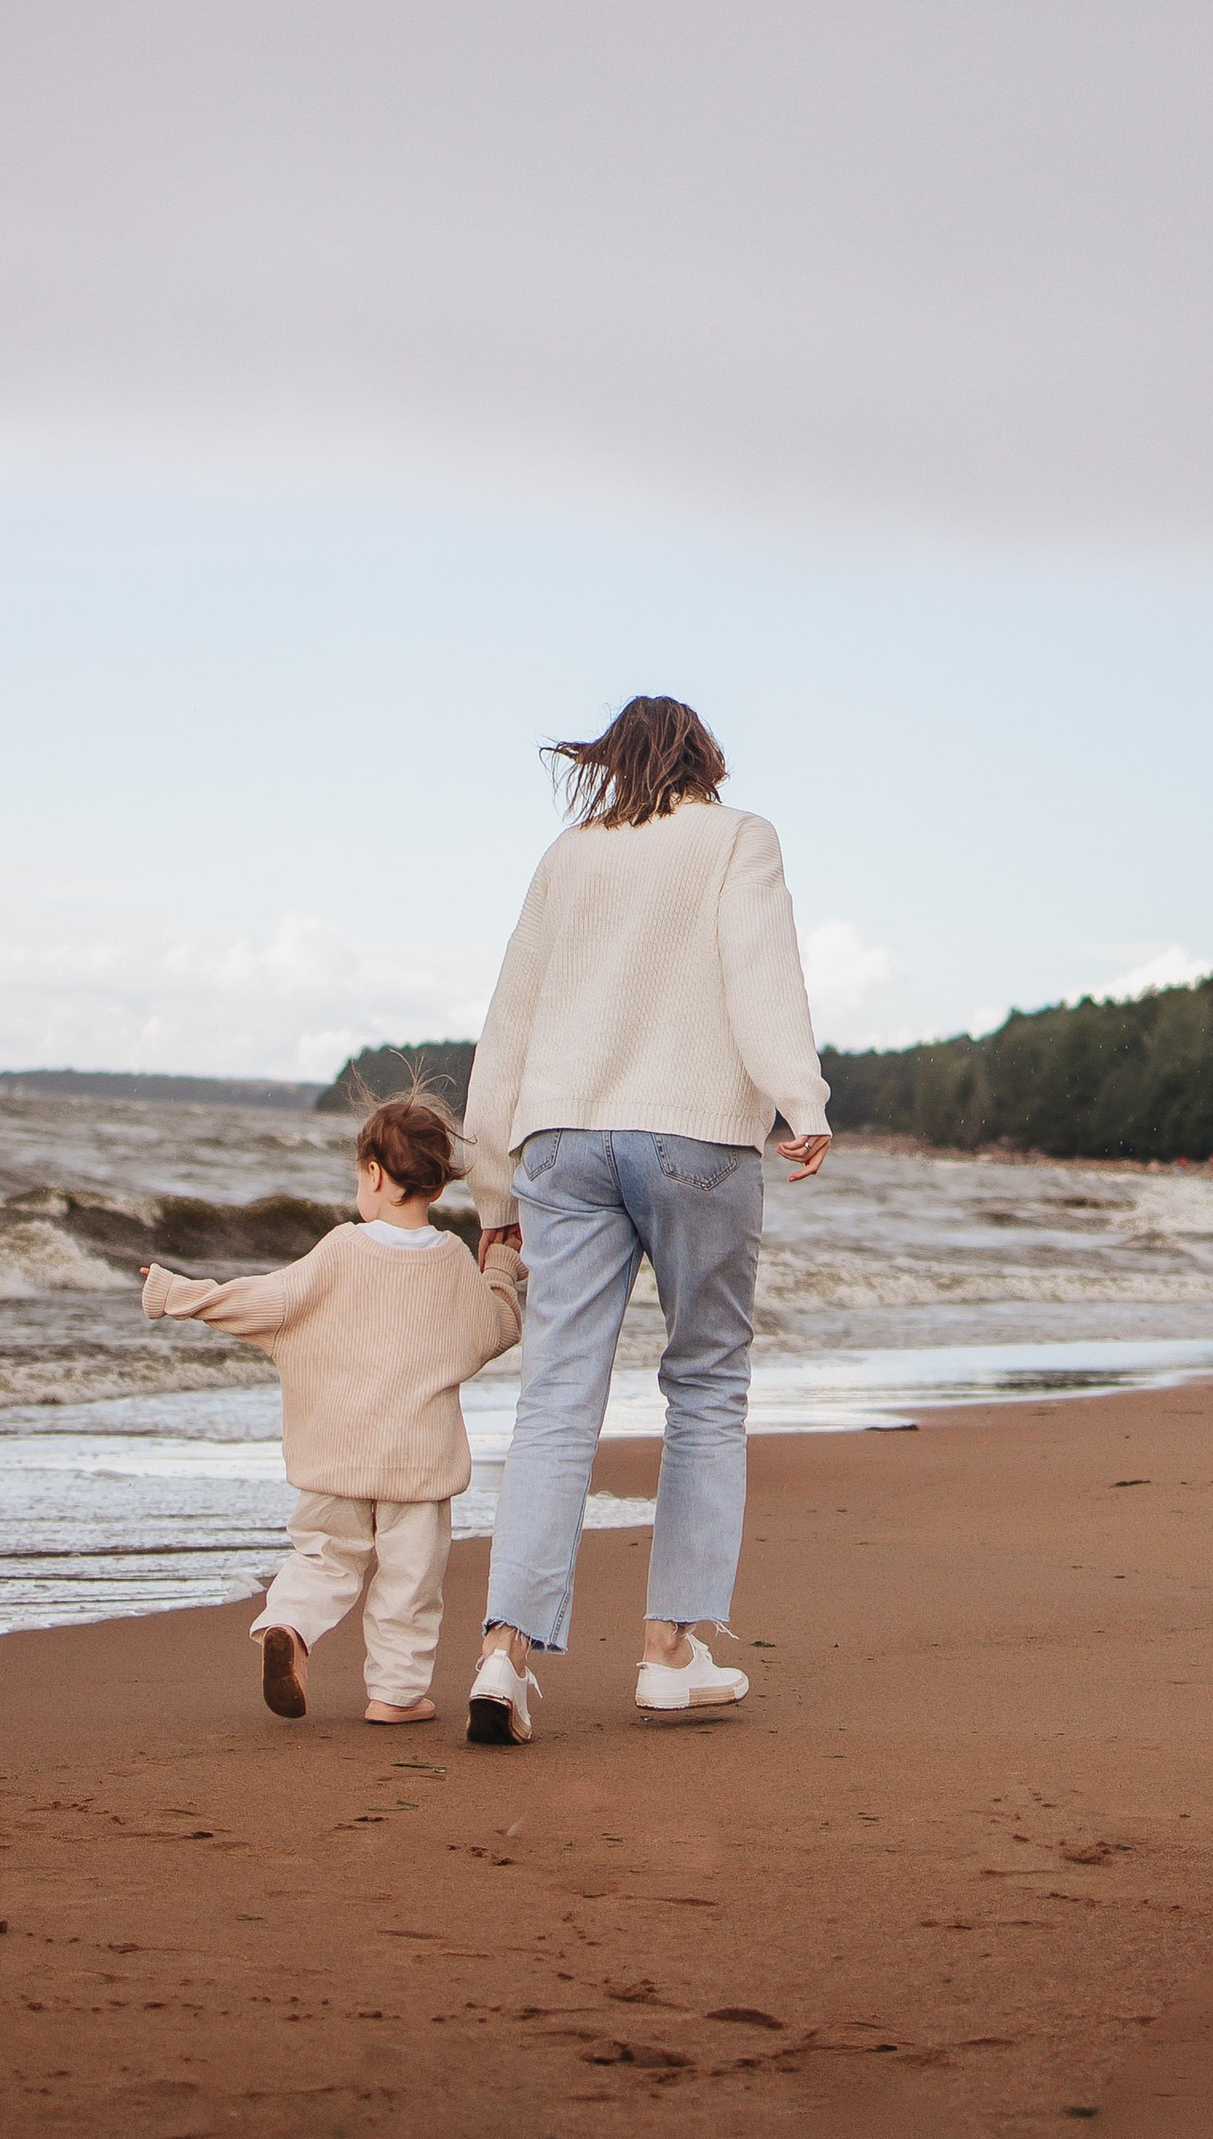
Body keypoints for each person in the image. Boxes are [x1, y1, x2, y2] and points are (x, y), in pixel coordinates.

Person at [459, 695, 831, 1745]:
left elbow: (510, 1018)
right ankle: (668, 1657)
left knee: (556, 1396)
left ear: (610, 763)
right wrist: (799, 1100)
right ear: (705, 761)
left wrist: (493, 1190)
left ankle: (501, 1654)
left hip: (562, 1140)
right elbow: (761, 974)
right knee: (706, 1380)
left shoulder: (567, 856)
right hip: (693, 1136)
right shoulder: (735, 839)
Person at [141, 1092, 522, 1726]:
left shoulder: (342, 1249)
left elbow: (267, 1302)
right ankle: (396, 1696)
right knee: (411, 1580)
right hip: (417, 1463)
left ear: (374, 1172)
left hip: (337, 1454)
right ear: (435, 1183)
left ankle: (289, 1627)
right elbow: (493, 1329)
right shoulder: (454, 1260)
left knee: (322, 1556)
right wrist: (504, 1268)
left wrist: (177, 1293)